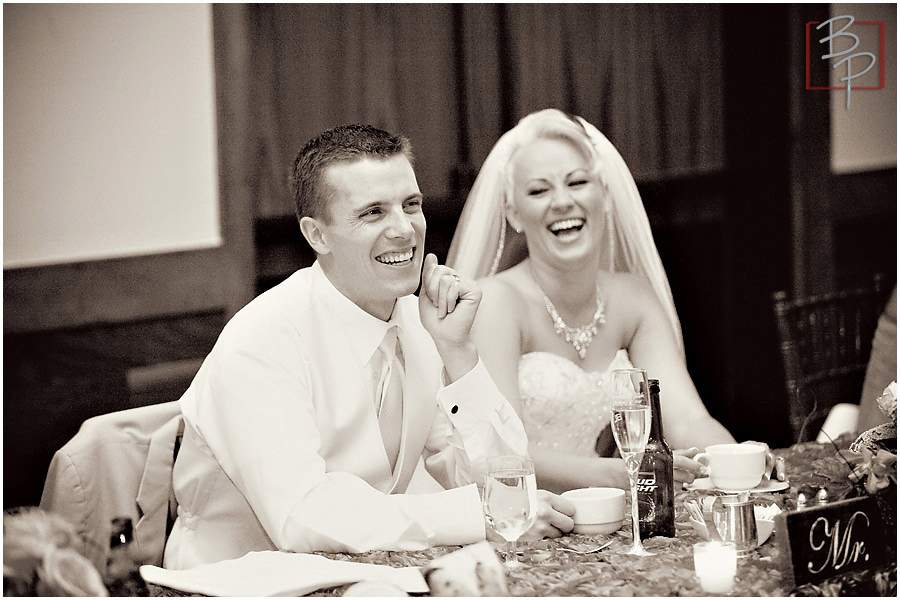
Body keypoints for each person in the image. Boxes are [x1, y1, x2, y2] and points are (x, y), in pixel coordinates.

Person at [163, 124, 574, 569]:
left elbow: (506, 481)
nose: (404, 229)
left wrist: (458, 353)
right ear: (317, 235)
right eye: (373, 212)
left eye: (410, 205)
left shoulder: (420, 324)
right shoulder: (262, 340)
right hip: (234, 579)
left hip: (365, 575)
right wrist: (479, 515)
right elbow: (304, 514)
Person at [447, 109, 739, 494]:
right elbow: (504, 455)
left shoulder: (633, 298)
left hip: (613, 516)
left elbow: (686, 419)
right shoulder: (496, 303)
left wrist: (736, 457)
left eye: (577, 182)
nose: (562, 201)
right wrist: (614, 476)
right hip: (527, 518)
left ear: (604, 193)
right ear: (514, 213)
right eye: (539, 190)